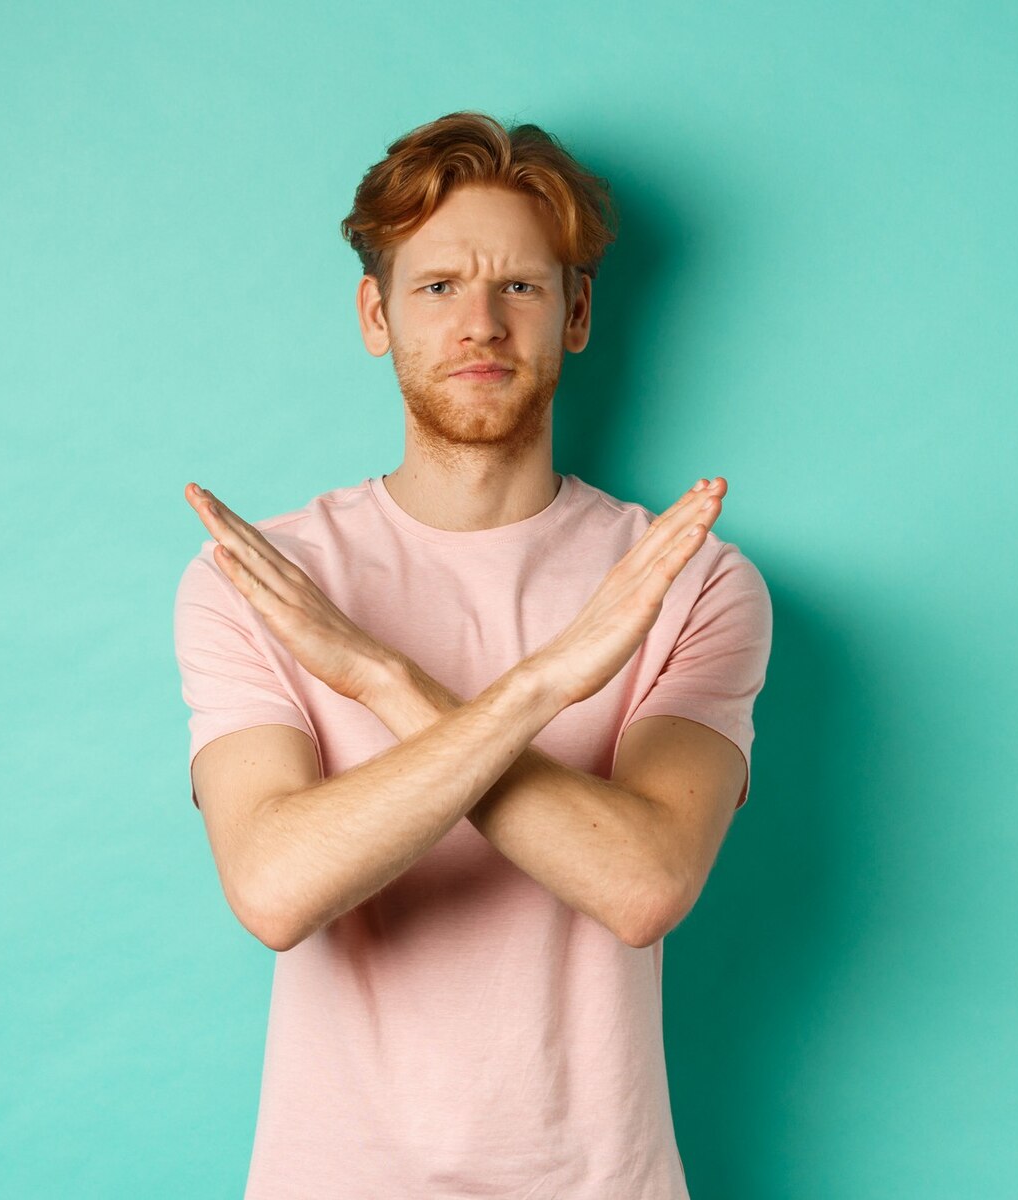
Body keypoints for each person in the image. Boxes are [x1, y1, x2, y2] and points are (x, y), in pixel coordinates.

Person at [172, 110, 773, 1199]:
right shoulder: (260, 580)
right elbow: (272, 887)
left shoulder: (689, 578)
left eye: (521, 288)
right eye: (439, 286)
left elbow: (642, 884)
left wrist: (383, 680)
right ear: (377, 313)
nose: (480, 324)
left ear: (577, 312)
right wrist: (541, 686)